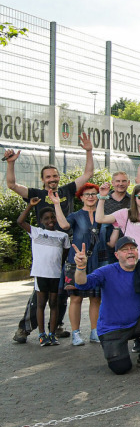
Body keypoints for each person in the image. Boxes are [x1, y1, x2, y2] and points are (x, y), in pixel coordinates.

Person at [5, 134, 95, 342]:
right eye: (48, 177)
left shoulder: (68, 190)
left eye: (55, 176)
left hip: (66, 247)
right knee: (40, 293)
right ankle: (25, 328)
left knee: (63, 287)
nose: (52, 179)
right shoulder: (35, 193)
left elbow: (88, 173)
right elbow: (12, 185)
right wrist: (11, 164)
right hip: (45, 248)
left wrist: (89, 151)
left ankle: (57, 326)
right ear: (43, 179)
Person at [73, 237, 140, 373]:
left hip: (134, 323)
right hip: (111, 330)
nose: (130, 252)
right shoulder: (106, 271)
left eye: (133, 249)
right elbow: (82, 284)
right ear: (117, 255)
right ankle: (119, 349)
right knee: (121, 368)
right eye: (125, 250)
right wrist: (81, 267)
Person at [52, 185, 104, 343]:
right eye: (86, 194)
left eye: (94, 194)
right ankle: (75, 333)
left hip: (97, 261)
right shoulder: (75, 215)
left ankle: (95, 331)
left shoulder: (102, 214)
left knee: (96, 298)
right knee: (75, 298)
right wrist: (56, 204)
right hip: (77, 260)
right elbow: (64, 225)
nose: (90, 197)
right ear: (81, 197)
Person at [17, 198, 69, 346]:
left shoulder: (62, 236)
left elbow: (64, 254)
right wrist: (30, 205)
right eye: (46, 218)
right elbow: (20, 222)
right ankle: (42, 335)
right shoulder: (36, 232)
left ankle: (52, 334)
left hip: (55, 275)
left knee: (54, 303)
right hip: (41, 274)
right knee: (40, 304)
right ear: (41, 221)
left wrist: (58, 267)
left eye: (52, 217)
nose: (50, 220)